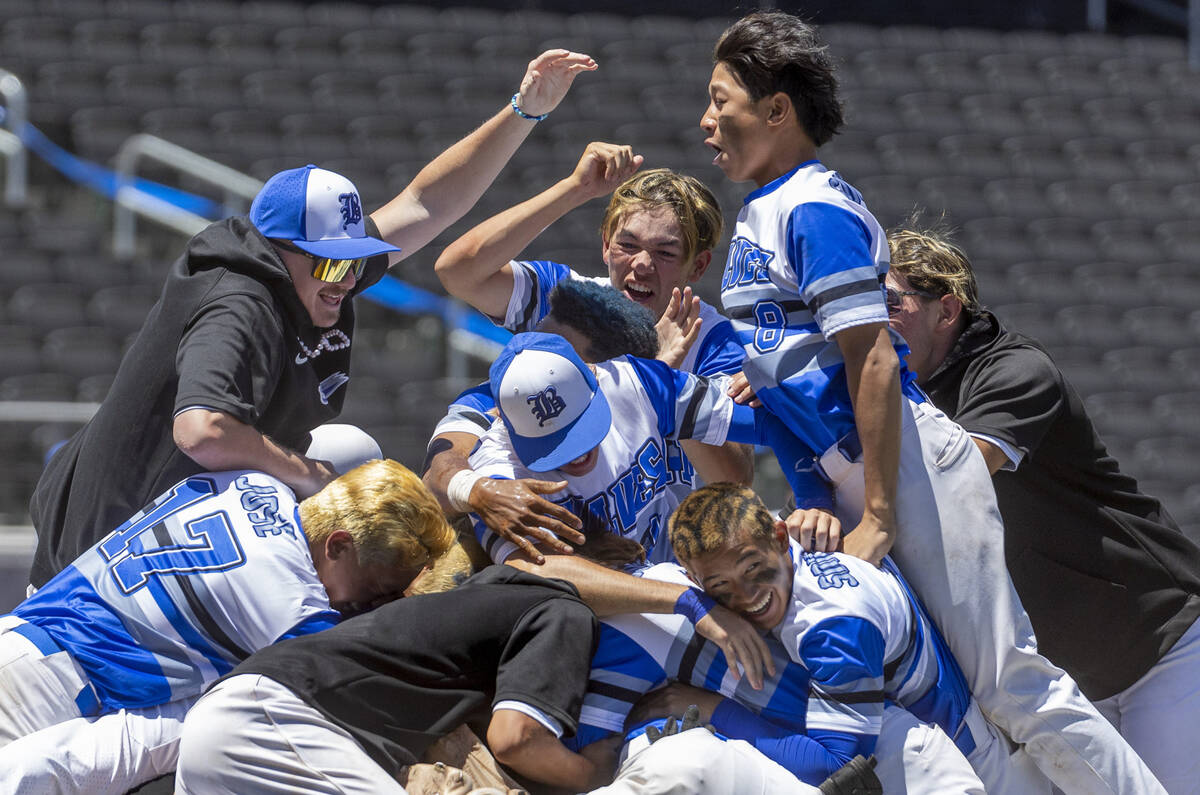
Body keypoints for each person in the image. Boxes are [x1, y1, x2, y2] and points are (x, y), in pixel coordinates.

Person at [700, 11, 1163, 793]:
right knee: (975, 704)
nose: (706, 121)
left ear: (777, 110)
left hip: (911, 465)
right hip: (865, 475)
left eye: (721, 100)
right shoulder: (762, 212)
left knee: (1013, 682)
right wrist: (819, 492)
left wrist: (875, 511)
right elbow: (784, 389)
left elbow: (873, 357)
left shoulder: (815, 205)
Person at [28, 49, 598, 589]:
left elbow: (426, 205)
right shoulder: (239, 302)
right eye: (331, 262)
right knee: (340, 473)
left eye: (351, 260)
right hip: (101, 561)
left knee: (353, 455)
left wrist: (526, 109)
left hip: (173, 512)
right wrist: (307, 475)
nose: (349, 280)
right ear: (281, 252)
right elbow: (201, 430)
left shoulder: (315, 273)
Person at [885, 221, 1200, 794]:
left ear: (946, 309)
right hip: (1074, 677)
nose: (876, 319)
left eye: (891, 301)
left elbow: (959, 477)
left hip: (1162, 644)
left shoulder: (1014, 370)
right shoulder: (905, 390)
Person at [0, 458, 459, 793]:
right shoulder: (293, 605)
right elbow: (366, 683)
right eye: (373, 587)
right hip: (52, 693)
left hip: (20, 638)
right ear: (338, 545)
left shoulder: (252, 480)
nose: (367, 602)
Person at [429, 144, 754, 551]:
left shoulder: (714, 340)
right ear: (605, 244)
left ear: (699, 265)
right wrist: (575, 188)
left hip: (660, 560)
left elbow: (734, 478)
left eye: (665, 252)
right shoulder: (571, 303)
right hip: (558, 539)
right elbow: (458, 272)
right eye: (628, 244)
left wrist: (666, 382)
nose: (641, 265)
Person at [174, 564, 608, 794]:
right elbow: (518, 740)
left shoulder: (468, 607)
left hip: (232, 717)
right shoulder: (560, 608)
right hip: (272, 722)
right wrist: (593, 775)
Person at [469, 331, 759, 567]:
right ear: (503, 421)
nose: (575, 453)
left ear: (594, 380)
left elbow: (762, 422)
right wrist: (681, 599)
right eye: (552, 441)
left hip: (683, 568)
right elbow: (542, 572)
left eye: (577, 426)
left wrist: (774, 389)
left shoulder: (632, 380)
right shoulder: (496, 470)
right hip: (606, 615)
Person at [423, 278, 661, 564]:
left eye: (561, 353)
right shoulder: (498, 398)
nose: (536, 350)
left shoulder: (647, 393)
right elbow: (438, 475)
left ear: (596, 374)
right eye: (540, 334)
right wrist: (475, 490)